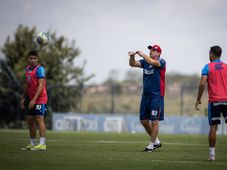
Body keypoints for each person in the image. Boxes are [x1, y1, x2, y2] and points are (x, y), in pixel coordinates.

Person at [128, 44, 166, 152]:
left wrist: (143, 55)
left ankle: (151, 145)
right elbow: (132, 64)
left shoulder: (161, 61)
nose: (151, 52)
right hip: (145, 96)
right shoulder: (145, 62)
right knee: (144, 121)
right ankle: (157, 142)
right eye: (151, 50)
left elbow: (152, 62)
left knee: (155, 122)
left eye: (154, 50)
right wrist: (132, 56)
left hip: (156, 96)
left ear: (158, 53)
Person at [195, 46, 227, 161]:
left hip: (214, 101)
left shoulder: (207, 67)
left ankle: (212, 155)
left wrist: (198, 98)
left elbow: (202, 83)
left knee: (213, 127)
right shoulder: (226, 67)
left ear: (211, 54)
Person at [20, 50, 48, 150]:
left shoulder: (40, 69)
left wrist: (34, 99)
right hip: (32, 99)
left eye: (34, 58)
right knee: (30, 120)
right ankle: (32, 143)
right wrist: (23, 98)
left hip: (40, 99)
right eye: (31, 58)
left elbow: (41, 85)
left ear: (37, 59)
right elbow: (27, 85)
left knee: (39, 119)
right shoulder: (27, 69)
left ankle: (42, 144)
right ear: (28, 59)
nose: (32, 60)